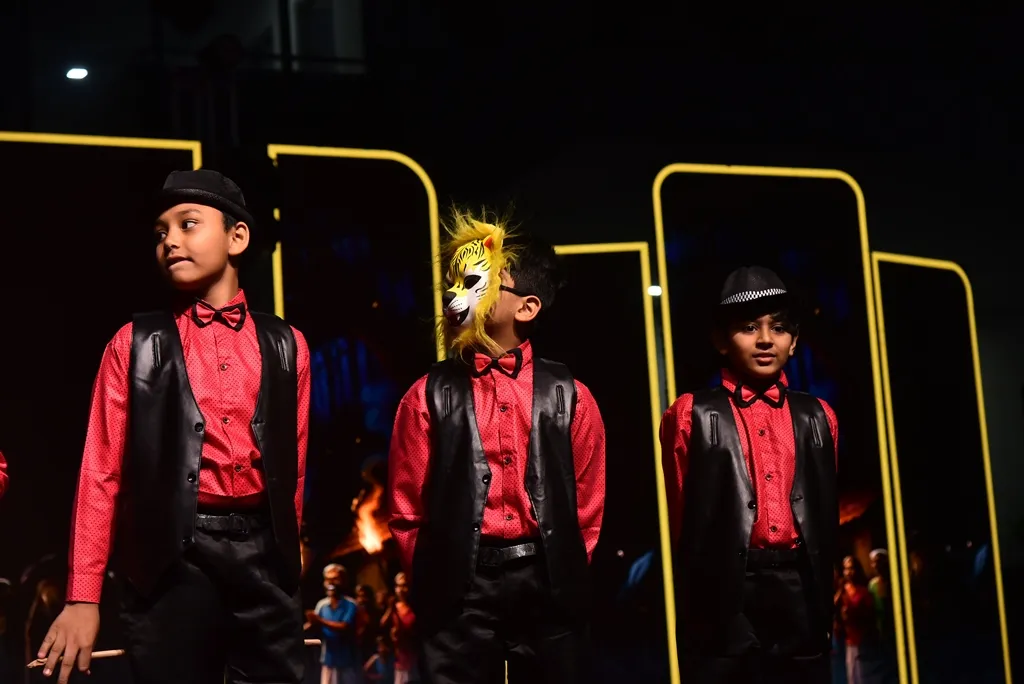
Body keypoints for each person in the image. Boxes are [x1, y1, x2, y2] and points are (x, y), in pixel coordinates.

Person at [37, 169, 311, 684]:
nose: (170, 241)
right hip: (171, 564)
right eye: (160, 232)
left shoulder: (287, 343)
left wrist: (287, 561)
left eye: (188, 224)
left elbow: (291, 467)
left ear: (237, 237)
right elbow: (100, 474)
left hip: (264, 564)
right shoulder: (133, 343)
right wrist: (82, 596)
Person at [387, 210, 606, 684]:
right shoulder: (425, 396)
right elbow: (407, 506)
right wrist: (435, 579)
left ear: (527, 307)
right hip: (460, 589)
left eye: (475, 282)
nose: (455, 294)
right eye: (453, 282)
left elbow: (587, 504)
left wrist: (564, 568)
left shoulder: (571, 396)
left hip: (547, 583)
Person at [661, 266, 839, 684]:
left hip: (800, 587)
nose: (765, 339)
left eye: (778, 328)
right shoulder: (690, 414)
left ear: (794, 341)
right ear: (721, 340)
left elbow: (823, 508)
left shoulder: (819, 416)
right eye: (748, 327)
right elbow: (681, 515)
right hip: (724, 590)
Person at [308, 564, 361, 684]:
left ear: (343, 581)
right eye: (328, 579)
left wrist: (319, 620)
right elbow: (312, 624)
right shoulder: (322, 605)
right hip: (328, 660)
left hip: (347, 661)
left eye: (335, 579)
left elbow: (344, 626)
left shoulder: (350, 604)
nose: (331, 583)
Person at [836, 556, 876, 684]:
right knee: (851, 675)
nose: (848, 572)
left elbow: (870, 614)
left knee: (863, 676)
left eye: (851, 568)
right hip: (847, 639)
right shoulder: (842, 589)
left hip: (862, 639)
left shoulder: (863, 590)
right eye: (846, 569)